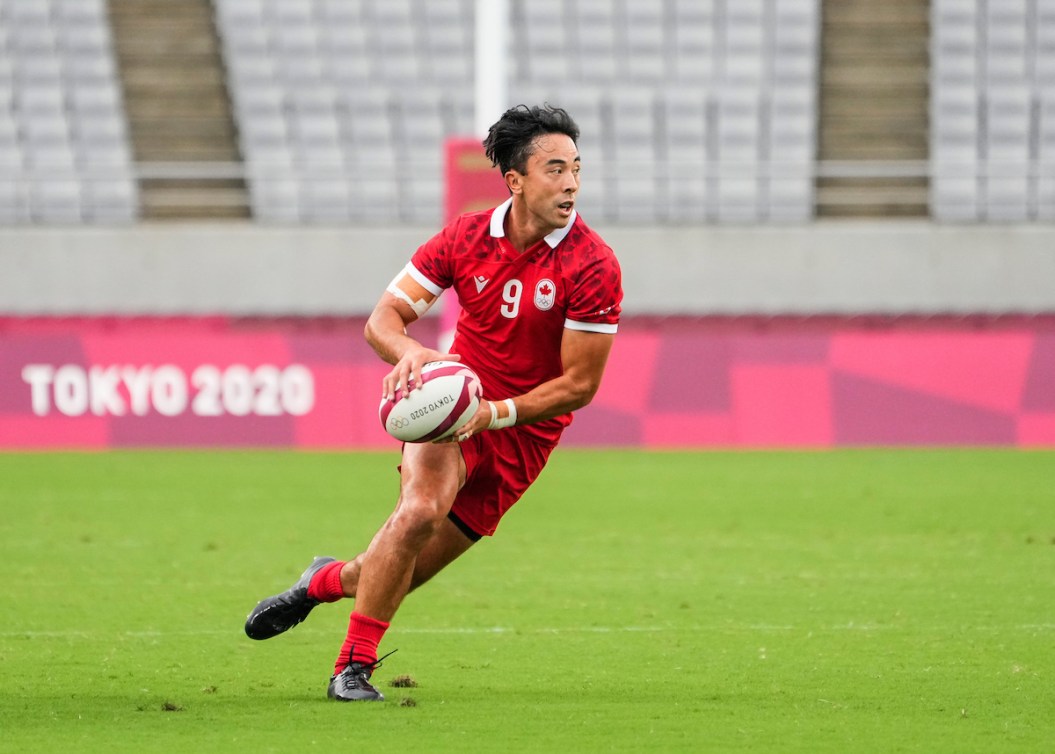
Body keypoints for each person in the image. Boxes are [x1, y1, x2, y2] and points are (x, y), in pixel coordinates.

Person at [244, 104, 623, 702]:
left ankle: (319, 582)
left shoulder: (593, 265)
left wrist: (495, 415)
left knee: (393, 573)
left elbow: (579, 385)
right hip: (451, 407)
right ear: (516, 180)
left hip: (524, 430)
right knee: (418, 512)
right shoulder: (466, 237)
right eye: (555, 169)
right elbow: (383, 319)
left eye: (577, 167)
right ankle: (352, 669)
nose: (572, 182)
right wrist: (409, 353)